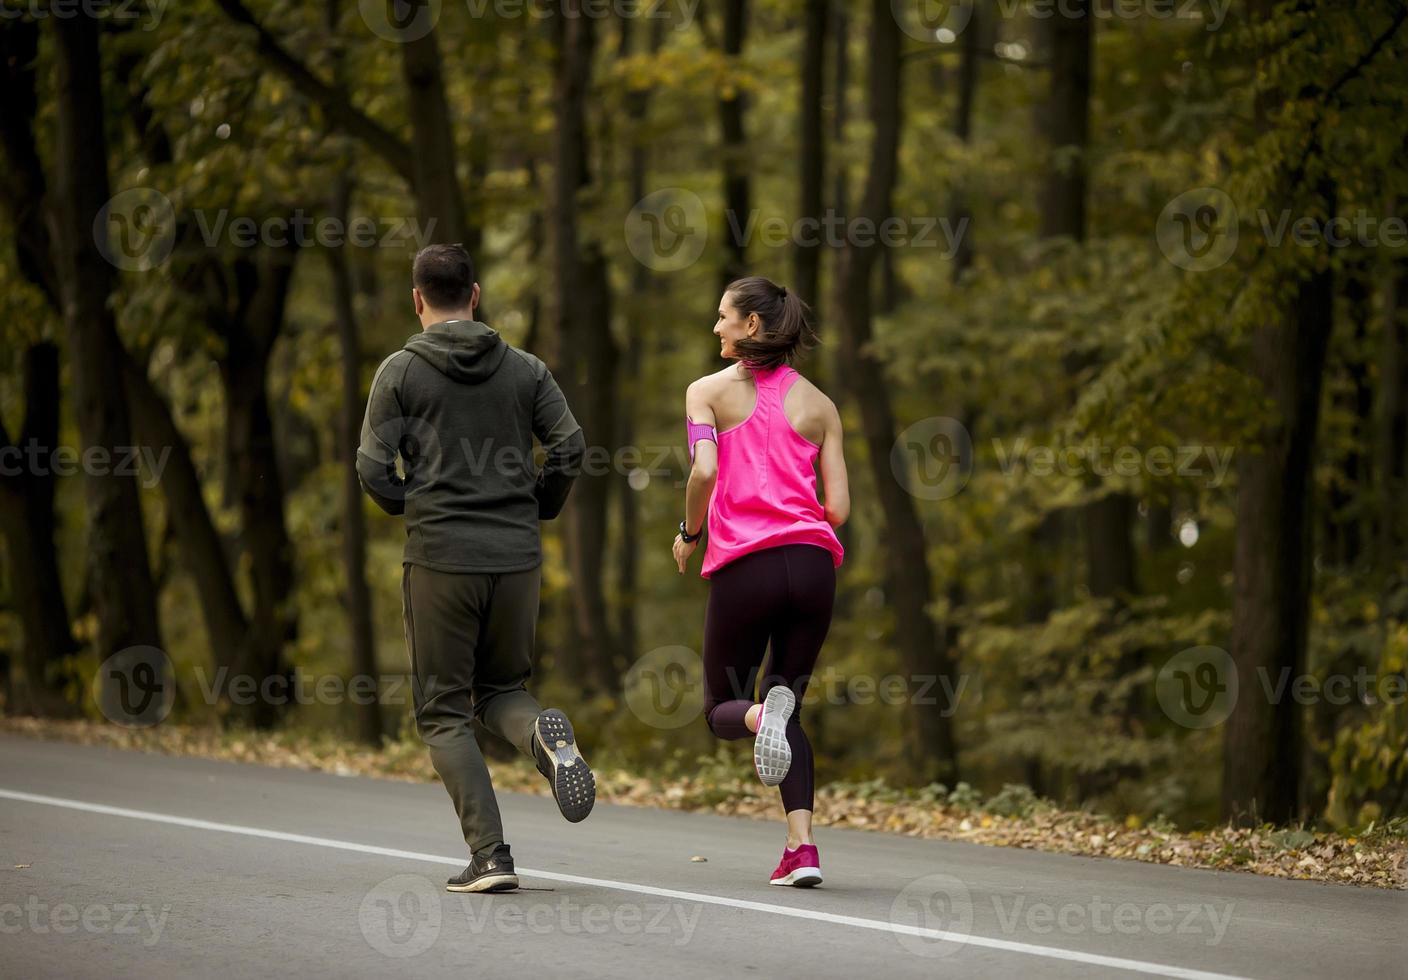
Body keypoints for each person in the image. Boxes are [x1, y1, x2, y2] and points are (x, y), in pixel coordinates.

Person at [358, 243, 595, 894]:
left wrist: (414, 506)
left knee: (442, 712)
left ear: (417, 298)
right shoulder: (525, 370)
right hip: (516, 555)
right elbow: (570, 447)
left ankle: (490, 857)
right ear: (476, 293)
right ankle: (545, 741)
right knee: (501, 692)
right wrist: (537, 506)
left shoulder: (400, 373)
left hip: (442, 557)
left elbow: (372, 468)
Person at [672, 276, 849, 887]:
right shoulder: (822, 405)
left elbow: (703, 470)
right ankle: (802, 851)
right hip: (813, 566)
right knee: (788, 702)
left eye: (723, 316)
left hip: (747, 567)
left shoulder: (706, 392)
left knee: (722, 706)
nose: (715, 326)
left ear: (751, 325)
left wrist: (691, 535)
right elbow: (841, 508)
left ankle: (755, 721)